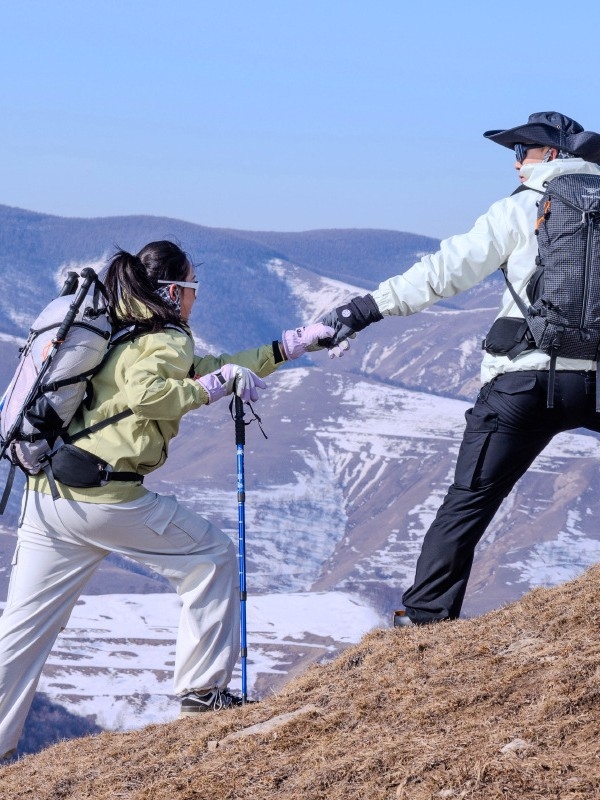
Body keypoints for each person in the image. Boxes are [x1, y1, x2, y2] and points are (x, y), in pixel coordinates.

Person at [0, 240, 333, 760]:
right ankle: (202, 694)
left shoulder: (120, 325)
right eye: (194, 288)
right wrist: (212, 389)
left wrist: (288, 346)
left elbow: (210, 365)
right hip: (106, 498)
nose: (195, 300)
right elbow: (148, 394)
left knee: (21, 632)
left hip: (48, 493)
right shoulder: (168, 335)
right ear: (176, 291)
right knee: (211, 557)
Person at [320, 112, 600, 625]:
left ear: (553, 155)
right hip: (598, 379)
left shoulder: (521, 209)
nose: (516, 162)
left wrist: (361, 311)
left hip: (523, 380)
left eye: (525, 151)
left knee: (468, 503)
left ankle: (427, 617)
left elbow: (442, 274)